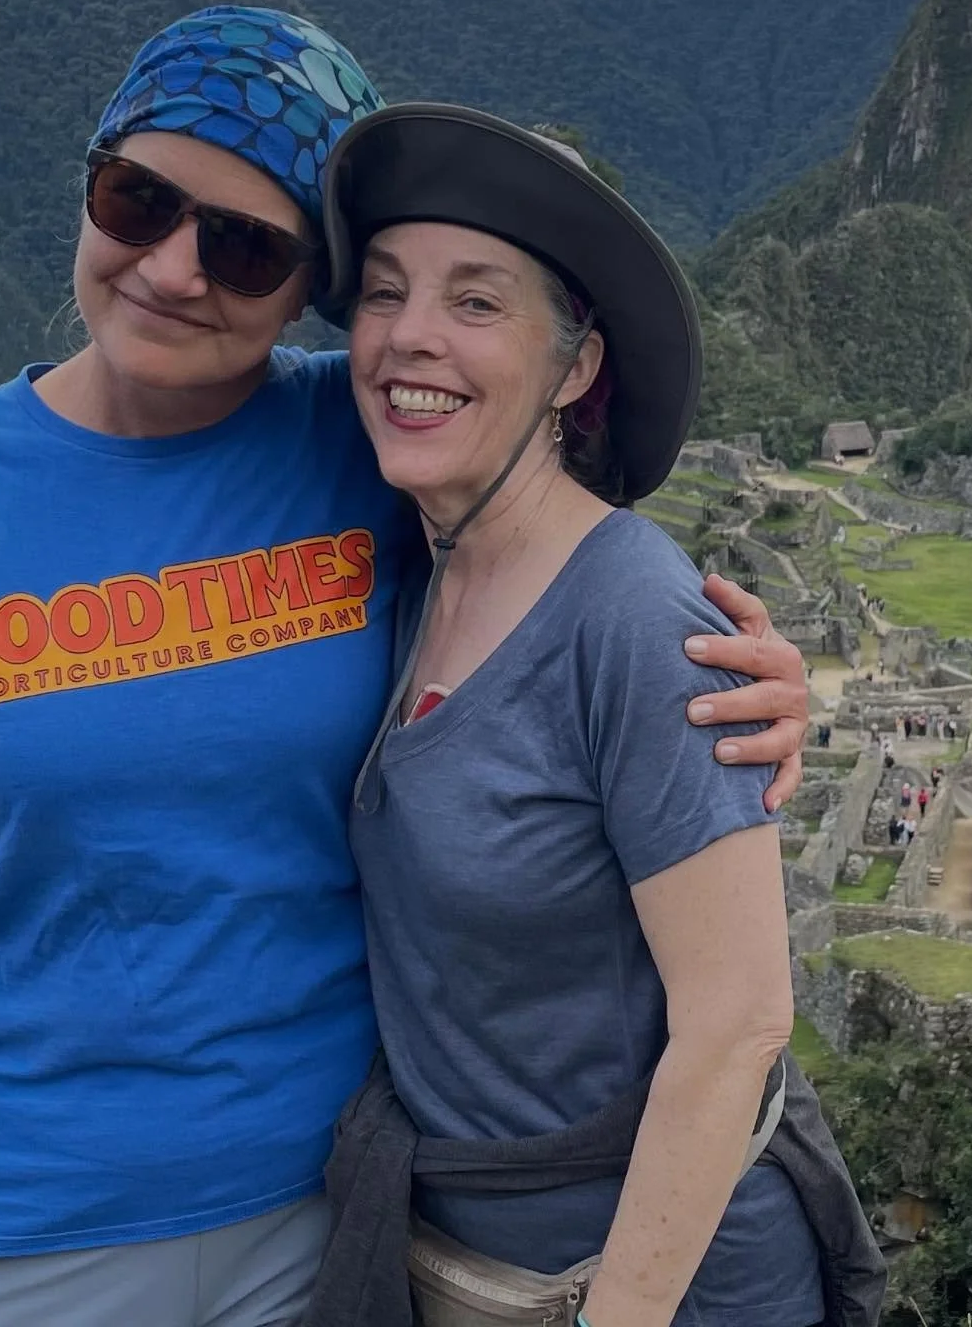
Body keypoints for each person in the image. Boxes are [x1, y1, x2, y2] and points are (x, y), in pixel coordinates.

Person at [0, 14, 810, 1327]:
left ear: (297, 289)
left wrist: (735, 683)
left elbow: (558, 558)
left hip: (329, 1225)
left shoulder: (357, 438)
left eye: (246, 247)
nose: (174, 269)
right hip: (12, 1228)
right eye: (137, 200)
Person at [303, 104, 885, 1327]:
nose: (411, 335)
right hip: (471, 1266)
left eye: (476, 301)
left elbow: (738, 1024)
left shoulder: (631, 614)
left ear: (574, 369)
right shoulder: (420, 562)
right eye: (386, 292)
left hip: (659, 1288)